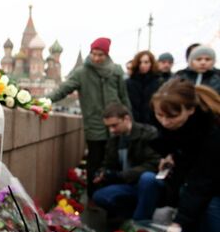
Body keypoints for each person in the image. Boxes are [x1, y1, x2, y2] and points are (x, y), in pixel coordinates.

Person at [151, 79, 220, 232]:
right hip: (201, 175)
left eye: (171, 116)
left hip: (214, 177)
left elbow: (202, 180)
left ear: (190, 110)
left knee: (212, 215)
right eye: (159, 115)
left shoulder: (213, 129)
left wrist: (179, 221)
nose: (164, 121)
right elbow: (184, 163)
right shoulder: (176, 122)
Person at [47, 37, 131, 197]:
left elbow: (124, 97)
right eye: (94, 54)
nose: (97, 58)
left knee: (114, 162)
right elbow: (63, 89)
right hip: (94, 124)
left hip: (117, 125)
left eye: (100, 54)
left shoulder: (116, 71)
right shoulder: (82, 72)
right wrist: (43, 101)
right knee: (95, 161)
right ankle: (93, 197)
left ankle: (112, 197)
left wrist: (129, 118)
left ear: (107, 54)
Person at [91, 103, 162, 221]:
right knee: (99, 197)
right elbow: (108, 164)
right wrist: (102, 173)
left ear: (127, 119)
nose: (111, 130)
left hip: (148, 185)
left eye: (114, 125)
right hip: (128, 185)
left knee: (147, 178)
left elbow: (153, 164)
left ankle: (139, 223)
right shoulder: (114, 140)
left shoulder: (148, 133)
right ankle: (131, 215)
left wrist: (120, 175)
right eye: (108, 127)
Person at [126, 50, 161, 124]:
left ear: (151, 63)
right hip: (134, 123)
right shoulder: (129, 83)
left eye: (146, 62)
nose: (142, 65)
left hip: (153, 123)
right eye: (140, 62)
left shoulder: (158, 82)